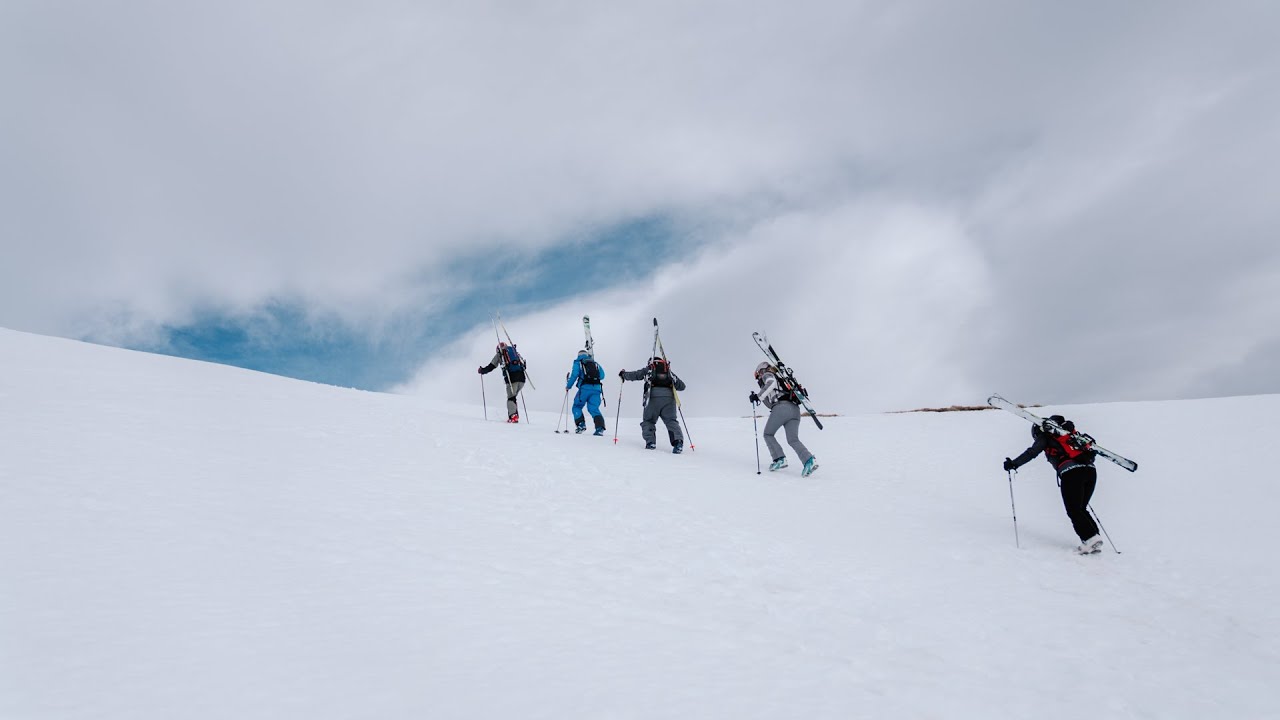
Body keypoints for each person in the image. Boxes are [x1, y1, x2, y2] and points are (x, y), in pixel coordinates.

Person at [1003, 415, 1103, 554]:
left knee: (1073, 509)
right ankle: (1093, 539)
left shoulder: (1046, 436)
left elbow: (1032, 452)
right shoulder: (1071, 436)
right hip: (1090, 471)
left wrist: (1013, 464)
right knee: (1080, 508)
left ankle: (1090, 538)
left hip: (1071, 472)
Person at [750, 361, 818, 476]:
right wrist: (759, 397)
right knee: (793, 439)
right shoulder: (780, 381)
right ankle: (809, 460)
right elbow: (769, 402)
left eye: (758, 375)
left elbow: (770, 383)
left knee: (768, 434)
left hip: (782, 408)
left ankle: (779, 459)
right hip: (795, 410)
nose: (759, 378)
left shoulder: (768, 374)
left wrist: (757, 396)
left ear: (761, 370)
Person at [619, 357, 687, 453]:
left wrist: (623, 374)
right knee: (671, 421)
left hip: (652, 397)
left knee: (648, 421)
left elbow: (636, 375)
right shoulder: (668, 372)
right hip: (669, 399)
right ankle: (678, 442)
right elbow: (682, 386)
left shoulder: (650, 369)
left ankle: (651, 442)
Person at [478, 342, 526, 423]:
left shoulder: (500, 354)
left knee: (511, 398)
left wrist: (482, 370)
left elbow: (491, 366)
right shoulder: (513, 352)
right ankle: (514, 415)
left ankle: (513, 416)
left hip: (512, 378)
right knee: (513, 396)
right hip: (522, 378)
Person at [565, 348, 607, 435]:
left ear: (578, 355)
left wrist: (568, 386)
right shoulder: (594, 363)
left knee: (577, 406)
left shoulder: (578, 362)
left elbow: (574, 375)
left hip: (584, 389)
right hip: (596, 389)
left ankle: (581, 425)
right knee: (593, 408)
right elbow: (602, 376)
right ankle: (600, 428)